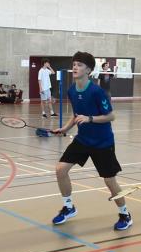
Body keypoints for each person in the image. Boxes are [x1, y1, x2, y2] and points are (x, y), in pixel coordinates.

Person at [50, 51, 132, 231]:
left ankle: (125, 214)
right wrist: (65, 128)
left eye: (79, 65)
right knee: (60, 169)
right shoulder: (72, 90)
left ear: (88, 70)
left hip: (102, 142)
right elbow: (76, 115)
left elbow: (111, 116)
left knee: (110, 181)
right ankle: (69, 207)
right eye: (74, 64)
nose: (75, 67)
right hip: (83, 139)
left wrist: (90, 119)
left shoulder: (97, 92)